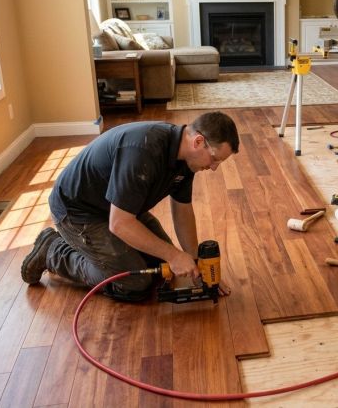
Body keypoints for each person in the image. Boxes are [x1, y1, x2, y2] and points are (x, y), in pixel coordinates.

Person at [20, 112, 240, 301]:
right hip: (79, 212)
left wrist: (196, 264)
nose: (213, 168)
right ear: (198, 142)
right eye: (214, 159)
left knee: (162, 267)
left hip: (121, 208)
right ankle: (53, 250)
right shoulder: (144, 149)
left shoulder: (186, 160)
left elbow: (182, 209)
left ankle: (116, 256)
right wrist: (174, 255)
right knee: (135, 282)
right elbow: (120, 224)